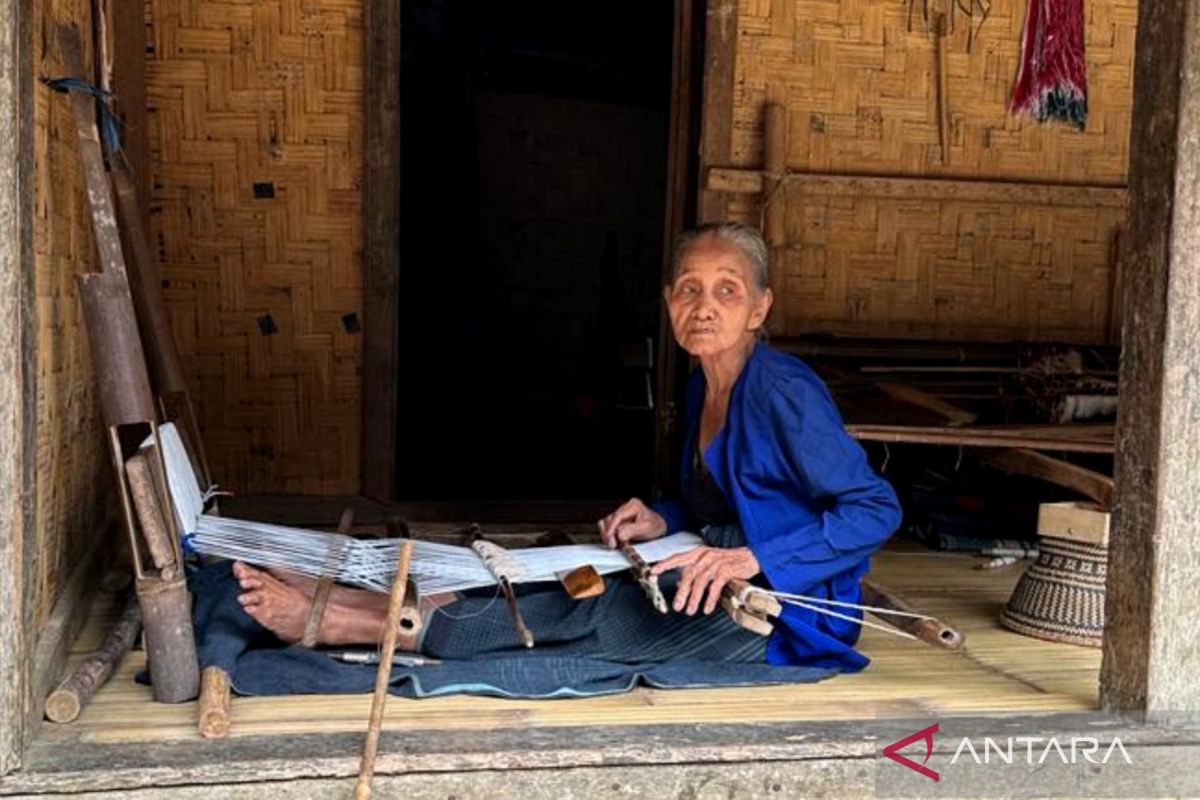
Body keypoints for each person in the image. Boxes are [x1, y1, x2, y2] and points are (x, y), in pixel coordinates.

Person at [232, 221, 901, 673]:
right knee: (562, 586)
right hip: (706, 563)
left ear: (759, 308)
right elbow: (717, 498)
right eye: (690, 290)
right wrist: (662, 516)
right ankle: (353, 599)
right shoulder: (702, 388)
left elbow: (876, 510)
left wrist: (750, 558)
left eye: (727, 291)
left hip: (781, 609)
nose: (706, 306)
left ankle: (346, 622)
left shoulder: (783, 392)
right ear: (669, 303)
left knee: (588, 625)